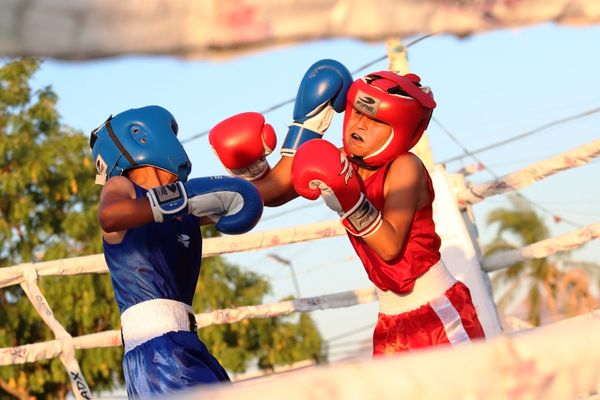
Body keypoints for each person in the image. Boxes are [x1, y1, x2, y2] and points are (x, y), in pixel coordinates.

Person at [209, 60, 485, 355]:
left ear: (401, 130)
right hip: (391, 317)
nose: (360, 124)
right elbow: (275, 191)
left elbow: (390, 246)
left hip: (436, 310)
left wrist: (348, 200)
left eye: (376, 120)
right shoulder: (341, 161)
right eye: (357, 112)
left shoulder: (406, 166)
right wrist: (245, 173)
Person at [89, 105, 263, 398]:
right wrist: (173, 200)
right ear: (141, 137)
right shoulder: (125, 188)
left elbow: (247, 197)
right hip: (156, 350)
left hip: (184, 344)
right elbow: (110, 215)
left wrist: (301, 134)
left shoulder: (187, 207)